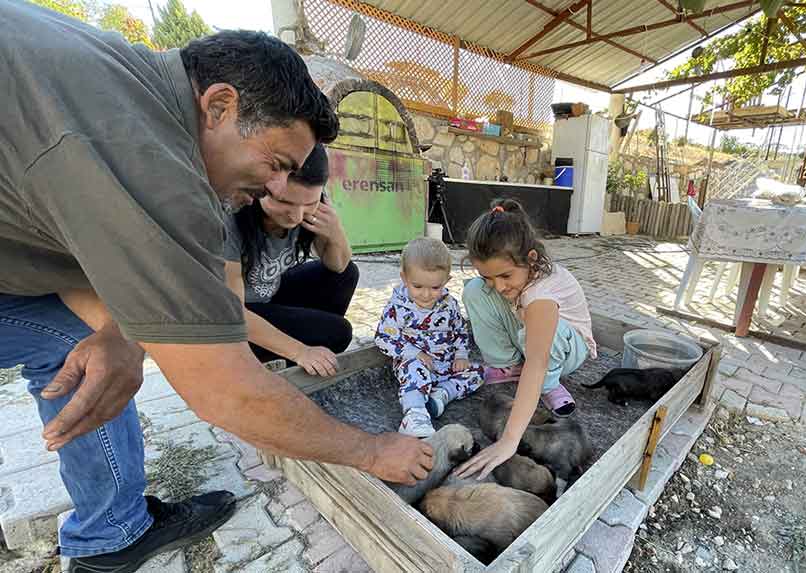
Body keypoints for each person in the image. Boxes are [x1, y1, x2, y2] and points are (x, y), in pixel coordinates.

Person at [0, 4, 432, 572]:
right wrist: (374, 450)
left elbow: (65, 238)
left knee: (90, 344)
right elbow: (224, 391)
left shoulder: (126, 84)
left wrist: (122, 328)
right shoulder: (147, 155)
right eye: (276, 163)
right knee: (90, 351)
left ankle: (112, 528)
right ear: (219, 105)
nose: (275, 187)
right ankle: (110, 532)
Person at [454, 199, 597, 479]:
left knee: (541, 347)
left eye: (505, 275)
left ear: (531, 259)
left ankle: (549, 385)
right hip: (528, 332)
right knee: (473, 291)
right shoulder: (507, 282)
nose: (499, 286)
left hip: (567, 348)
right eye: (489, 276)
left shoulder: (541, 294)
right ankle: (509, 366)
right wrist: (488, 282)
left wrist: (509, 440)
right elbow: (494, 288)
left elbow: (538, 360)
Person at [223, 143, 357, 377]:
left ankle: (296, 343)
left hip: (269, 295)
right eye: (284, 202)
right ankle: (264, 358)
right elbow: (232, 313)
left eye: (309, 204)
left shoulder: (312, 203)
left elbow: (339, 265)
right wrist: (300, 351)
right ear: (261, 185)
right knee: (338, 333)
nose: (295, 216)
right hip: (236, 318)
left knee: (346, 274)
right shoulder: (231, 217)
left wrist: (335, 230)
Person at [375, 238, 484, 437]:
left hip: (446, 365)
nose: (426, 294)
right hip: (416, 365)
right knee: (413, 372)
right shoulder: (397, 308)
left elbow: (460, 330)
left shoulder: (449, 304)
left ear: (446, 281)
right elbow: (383, 338)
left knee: (477, 372)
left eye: (435, 288)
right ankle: (414, 414)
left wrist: (461, 355)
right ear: (404, 278)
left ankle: (441, 395)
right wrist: (414, 353)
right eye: (417, 286)